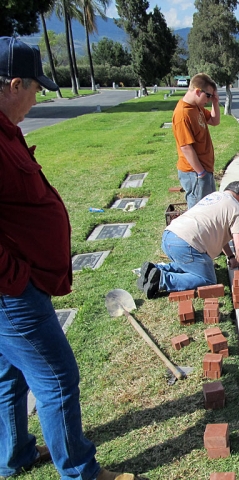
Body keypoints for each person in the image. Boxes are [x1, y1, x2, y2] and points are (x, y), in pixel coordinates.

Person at [0, 37, 137, 480]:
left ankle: (15, 453)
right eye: (34, 89)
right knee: (57, 378)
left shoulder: (5, 130)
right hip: (11, 293)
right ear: (13, 83)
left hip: (14, 286)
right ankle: (81, 473)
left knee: (9, 374)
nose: (37, 98)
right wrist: (16, 278)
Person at [138, 182, 239, 298]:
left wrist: (231, 257)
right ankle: (161, 279)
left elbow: (221, 236)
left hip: (169, 236)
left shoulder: (214, 196)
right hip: (186, 244)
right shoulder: (236, 208)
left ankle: (154, 269)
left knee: (191, 264)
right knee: (208, 280)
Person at [172, 73, 220, 209]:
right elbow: (186, 147)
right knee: (198, 212)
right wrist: (201, 173)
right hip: (194, 173)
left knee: (209, 209)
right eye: (209, 96)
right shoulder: (182, 114)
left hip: (205, 169)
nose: (209, 100)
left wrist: (215, 103)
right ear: (198, 91)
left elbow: (214, 121)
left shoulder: (196, 107)